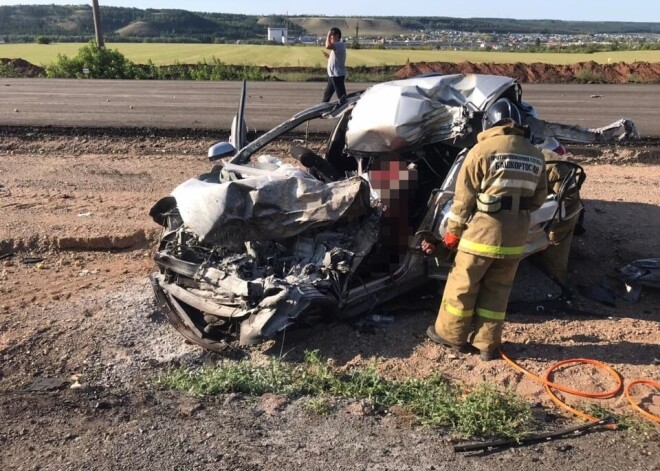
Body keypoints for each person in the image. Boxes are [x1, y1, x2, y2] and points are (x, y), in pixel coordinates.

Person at [422, 98, 548, 360]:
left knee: (463, 285)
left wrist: (452, 233)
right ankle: (486, 345)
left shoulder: (481, 151)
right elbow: (538, 199)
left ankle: (451, 336)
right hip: (515, 238)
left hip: (481, 235)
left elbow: (463, 200)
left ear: (490, 122)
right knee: (498, 291)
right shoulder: (535, 154)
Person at [532, 142, 584, 293]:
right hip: (550, 206)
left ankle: (556, 287)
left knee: (556, 246)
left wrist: (542, 216)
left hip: (566, 210)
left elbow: (567, 199)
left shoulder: (554, 165)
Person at [321, 27, 347, 104]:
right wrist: (329, 57)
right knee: (327, 95)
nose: (331, 39)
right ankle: (322, 109)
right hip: (333, 75)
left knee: (342, 96)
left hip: (337, 75)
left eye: (332, 37)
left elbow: (327, 46)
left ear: (337, 36)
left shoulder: (339, 44)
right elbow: (337, 59)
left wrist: (328, 35)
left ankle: (347, 110)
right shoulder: (337, 46)